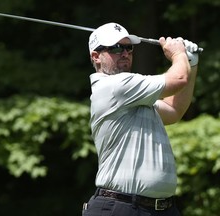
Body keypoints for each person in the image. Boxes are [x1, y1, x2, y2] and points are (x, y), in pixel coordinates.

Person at [82, 22, 199, 216]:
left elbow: (173, 109)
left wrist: (191, 64)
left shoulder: (134, 95)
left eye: (129, 48)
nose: (125, 53)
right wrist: (178, 55)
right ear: (96, 56)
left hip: (162, 210)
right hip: (120, 208)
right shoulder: (113, 87)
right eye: (116, 48)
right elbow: (178, 79)